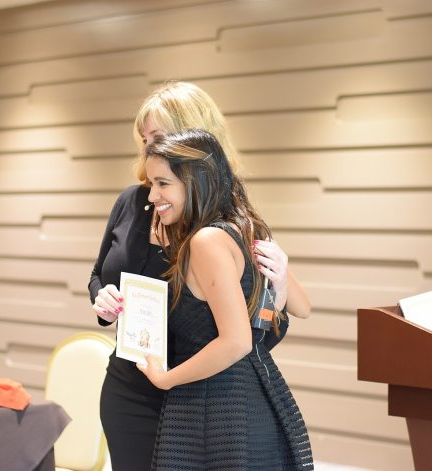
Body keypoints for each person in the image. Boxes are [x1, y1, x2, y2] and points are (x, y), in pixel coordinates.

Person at [88, 81, 311, 470]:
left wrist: (279, 279)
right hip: (130, 382)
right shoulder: (134, 201)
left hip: (191, 390)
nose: (147, 148)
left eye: (157, 137)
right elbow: (98, 273)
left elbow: (279, 315)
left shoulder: (217, 221)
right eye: (144, 139)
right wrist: (102, 297)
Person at [138, 129, 313, 469]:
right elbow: (303, 307)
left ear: (195, 181)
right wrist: (280, 282)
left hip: (216, 411)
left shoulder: (206, 241)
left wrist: (164, 378)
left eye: (163, 183)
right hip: (256, 396)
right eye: (151, 184)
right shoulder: (246, 228)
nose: (153, 195)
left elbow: (236, 341)